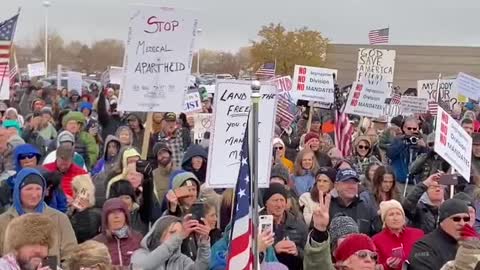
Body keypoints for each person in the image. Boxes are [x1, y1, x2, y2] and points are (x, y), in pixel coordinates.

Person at [0, 168, 77, 260]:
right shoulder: (3, 221)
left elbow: (71, 255)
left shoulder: (59, 219)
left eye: (38, 189)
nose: (34, 194)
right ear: (18, 191)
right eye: (29, 189)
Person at [408, 198, 470, 270]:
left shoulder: (471, 245)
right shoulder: (423, 247)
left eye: (466, 219)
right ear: (443, 221)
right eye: (456, 219)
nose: (462, 224)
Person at [131, 215, 211, 270]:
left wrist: (204, 243)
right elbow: (142, 267)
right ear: (159, 232)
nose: (176, 238)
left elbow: (201, 268)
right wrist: (178, 237)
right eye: (172, 232)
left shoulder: (181, 259)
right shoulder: (140, 254)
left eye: (179, 234)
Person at [261, 183, 308, 269]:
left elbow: (309, 255)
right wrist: (273, 250)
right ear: (266, 203)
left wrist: (297, 251)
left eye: (282, 200)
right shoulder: (257, 223)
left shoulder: (298, 223)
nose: (279, 205)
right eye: (275, 200)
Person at [372, 200, 424, 270]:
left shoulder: (418, 234)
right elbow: (373, 267)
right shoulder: (376, 240)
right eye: (391, 215)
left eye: (398, 214)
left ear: (403, 217)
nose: (395, 218)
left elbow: (427, 255)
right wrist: (386, 265)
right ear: (384, 220)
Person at [93, 198, 143, 267]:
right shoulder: (96, 243)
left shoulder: (138, 238)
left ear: (125, 216)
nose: (116, 216)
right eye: (111, 212)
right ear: (105, 218)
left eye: (119, 211)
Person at [330, 169, 380, 236]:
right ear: (336, 186)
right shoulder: (328, 207)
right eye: (346, 182)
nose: (351, 186)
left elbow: (377, 234)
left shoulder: (366, 207)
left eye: (354, 183)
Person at [387, 117, 427, 195]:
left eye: (414, 129)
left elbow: (428, 159)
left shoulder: (422, 140)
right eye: (409, 128)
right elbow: (390, 154)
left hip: (415, 182)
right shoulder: (397, 140)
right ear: (404, 129)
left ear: (418, 129)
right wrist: (404, 142)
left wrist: (424, 148)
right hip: (399, 181)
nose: (412, 131)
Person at [68, 174, 102, 243]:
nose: (73, 195)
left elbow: (82, 235)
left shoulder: (93, 215)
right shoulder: (74, 211)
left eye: (73, 191)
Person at [150, 143, 175, 221]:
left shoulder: (180, 173)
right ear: (156, 158)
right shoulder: (152, 176)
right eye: (159, 154)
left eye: (164, 152)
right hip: (161, 218)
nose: (163, 156)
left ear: (169, 153)